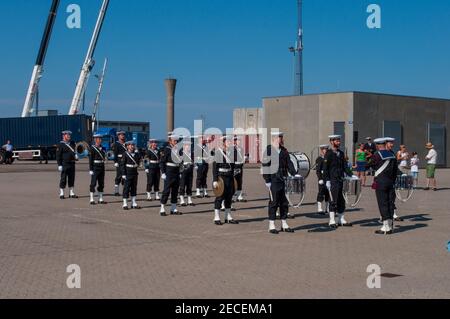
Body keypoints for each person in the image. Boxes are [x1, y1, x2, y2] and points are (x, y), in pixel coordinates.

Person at [262, 132, 299, 234]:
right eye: (279, 137)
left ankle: (284, 223)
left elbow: (289, 163)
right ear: (274, 138)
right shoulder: (269, 150)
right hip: (273, 180)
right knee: (274, 202)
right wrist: (267, 180)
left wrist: (294, 173)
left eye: (281, 137)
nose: (281, 139)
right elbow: (265, 166)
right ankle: (272, 224)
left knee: (284, 202)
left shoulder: (284, 150)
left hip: (284, 179)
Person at [323, 135, 354, 228]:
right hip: (333, 180)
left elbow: (345, 166)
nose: (339, 142)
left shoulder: (341, 153)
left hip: (341, 180)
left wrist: (351, 175)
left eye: (339, 141)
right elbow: (325, 169)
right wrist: (327, 180)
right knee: (333, 200)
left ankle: (341, 219)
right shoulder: (328, 153)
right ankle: (332, 220)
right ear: (331, 142)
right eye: (336, 141)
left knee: (342, 200)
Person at [371, 138, 398, 235]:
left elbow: (372, 165)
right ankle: (390, 226)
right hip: (390, 182)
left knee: (383, 203)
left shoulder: (377, 155)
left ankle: (385, 227)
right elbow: (395, 170)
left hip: (381, 183)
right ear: (385, 144)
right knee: (390, 203)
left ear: (378, 145)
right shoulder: (392, 155)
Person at [212, 136, 238, 225]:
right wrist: (215, 180)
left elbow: (233, 165)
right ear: (223, 142)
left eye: (230, 141)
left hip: (230, 176)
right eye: (227, 141)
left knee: (229, 197)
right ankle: (216, 217)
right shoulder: (218, 152)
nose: (229, 142)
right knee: (219, 196)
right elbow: (215, 167)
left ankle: (228, 216)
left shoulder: (232, 152)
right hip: (221, 177)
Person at [160, 134, 183, 216]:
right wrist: (163, 173)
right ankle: (162, 208)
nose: (176, 142)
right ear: (170, 141)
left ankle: (173, 208)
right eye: (174, 141)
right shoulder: (167, 149)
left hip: (176, 171)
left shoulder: (178, 150)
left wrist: (180, 172)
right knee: (166, 190)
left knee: (175, 191)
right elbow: (162, 162)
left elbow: (181, 162)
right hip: (169, 171)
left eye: (177, 141)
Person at [56, 131, 78, 199]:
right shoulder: (60, 144)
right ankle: (61, 193)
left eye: (69, 135)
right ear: (63, 136)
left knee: (72, 178)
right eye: (67, 135)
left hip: (72, 163)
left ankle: (71, 193)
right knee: (63, 179)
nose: (69, 136)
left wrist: (77, 155)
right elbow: (58, 155)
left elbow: (75, 151)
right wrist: (59, 165)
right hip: (64, 164)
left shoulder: (72, 143)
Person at [120, 140, 142, 210]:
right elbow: (122, 165)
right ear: (127, 146)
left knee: (134, 188)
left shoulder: (136, 154)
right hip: (127, 172)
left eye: (133, 145)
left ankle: (133, 203)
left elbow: (139, 162)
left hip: (134, 172)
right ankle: (125, 203)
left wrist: (138, 153)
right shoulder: (125, 154)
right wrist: (123, 174)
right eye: (130, 145)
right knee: (126, 188)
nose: (132, 146)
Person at [88, 133, 107, 205]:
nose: (100, 140)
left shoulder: (103, 148)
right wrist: (91, 169)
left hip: (102, 166)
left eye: (101, 138)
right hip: (95, 167)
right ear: (95, 140)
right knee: (93, 183)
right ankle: (92, 199)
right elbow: (91, 160)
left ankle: (100, 198)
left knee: (101, 183)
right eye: (99, 139)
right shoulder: (92, 148)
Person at [179, 139, 195, 207]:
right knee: (182, 185)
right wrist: (179, 171)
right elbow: (179, 162)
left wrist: (194, 165)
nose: (188, 146)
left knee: (189, 184)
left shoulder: (191, 153)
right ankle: (182, 200)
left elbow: (194, 160)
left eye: (189, 145)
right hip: (183, 169)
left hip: (190, 169)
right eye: (186, 145)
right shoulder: (180, 153)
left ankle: (189, 199)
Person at [315, 145, 330, 214]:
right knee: (321, 192)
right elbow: (318, 170)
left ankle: (327, 208)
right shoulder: (319, 159)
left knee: (328, 193)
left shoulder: (329, 158)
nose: (326, 150)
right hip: (322, 178)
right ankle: (319, 208)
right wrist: (320, 178)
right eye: (324, 149)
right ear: (321, 150)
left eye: (327, 149)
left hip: (328, 178)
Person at [113, 131, 128, 196]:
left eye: (123, 135)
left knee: (125, 176)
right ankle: (116, 191)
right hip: (119, 162)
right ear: (118, 136)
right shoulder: (116, 144)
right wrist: (115, 161)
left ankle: (125, 191)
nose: (123, 136)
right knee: (118, 176)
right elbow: (115, 153)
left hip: (126, 162)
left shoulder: (126, 144)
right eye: (121, 135)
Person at [232, 136, 246, 202]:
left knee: (239, 181)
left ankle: (239, 196)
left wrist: (244, 159)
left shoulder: (241, 148)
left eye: (240, 140)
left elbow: (242, 157)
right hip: (234, 166)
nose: (239, 142)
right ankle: (231, 196)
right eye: (238, 140)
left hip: (240, 166)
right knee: (233, 182)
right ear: (234, 141)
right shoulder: (232, 149)